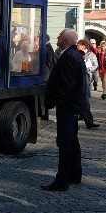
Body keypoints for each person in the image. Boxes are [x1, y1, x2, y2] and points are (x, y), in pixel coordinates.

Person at [42, 29, 87, 191]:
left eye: (60, 36)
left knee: (65, 142)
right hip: (72, 105)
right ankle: (75, 174)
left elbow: (67, 85)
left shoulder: (69, 56)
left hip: (68, 106)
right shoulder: (73, 54)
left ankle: (62, 181)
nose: (57, 37)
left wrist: (57, 101)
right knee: (72, 141)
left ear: (66, 41)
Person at [77, 39, 100, 129]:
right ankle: (87, 120)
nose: (77, 46)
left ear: (84, 46)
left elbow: (96, 65)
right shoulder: (77, 53)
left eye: (79, 45)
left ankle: (88, 120)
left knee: (85, 100)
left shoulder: (91, 54)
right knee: (83, 101)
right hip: (79, 80)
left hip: (86, 79)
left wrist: (88, 69)